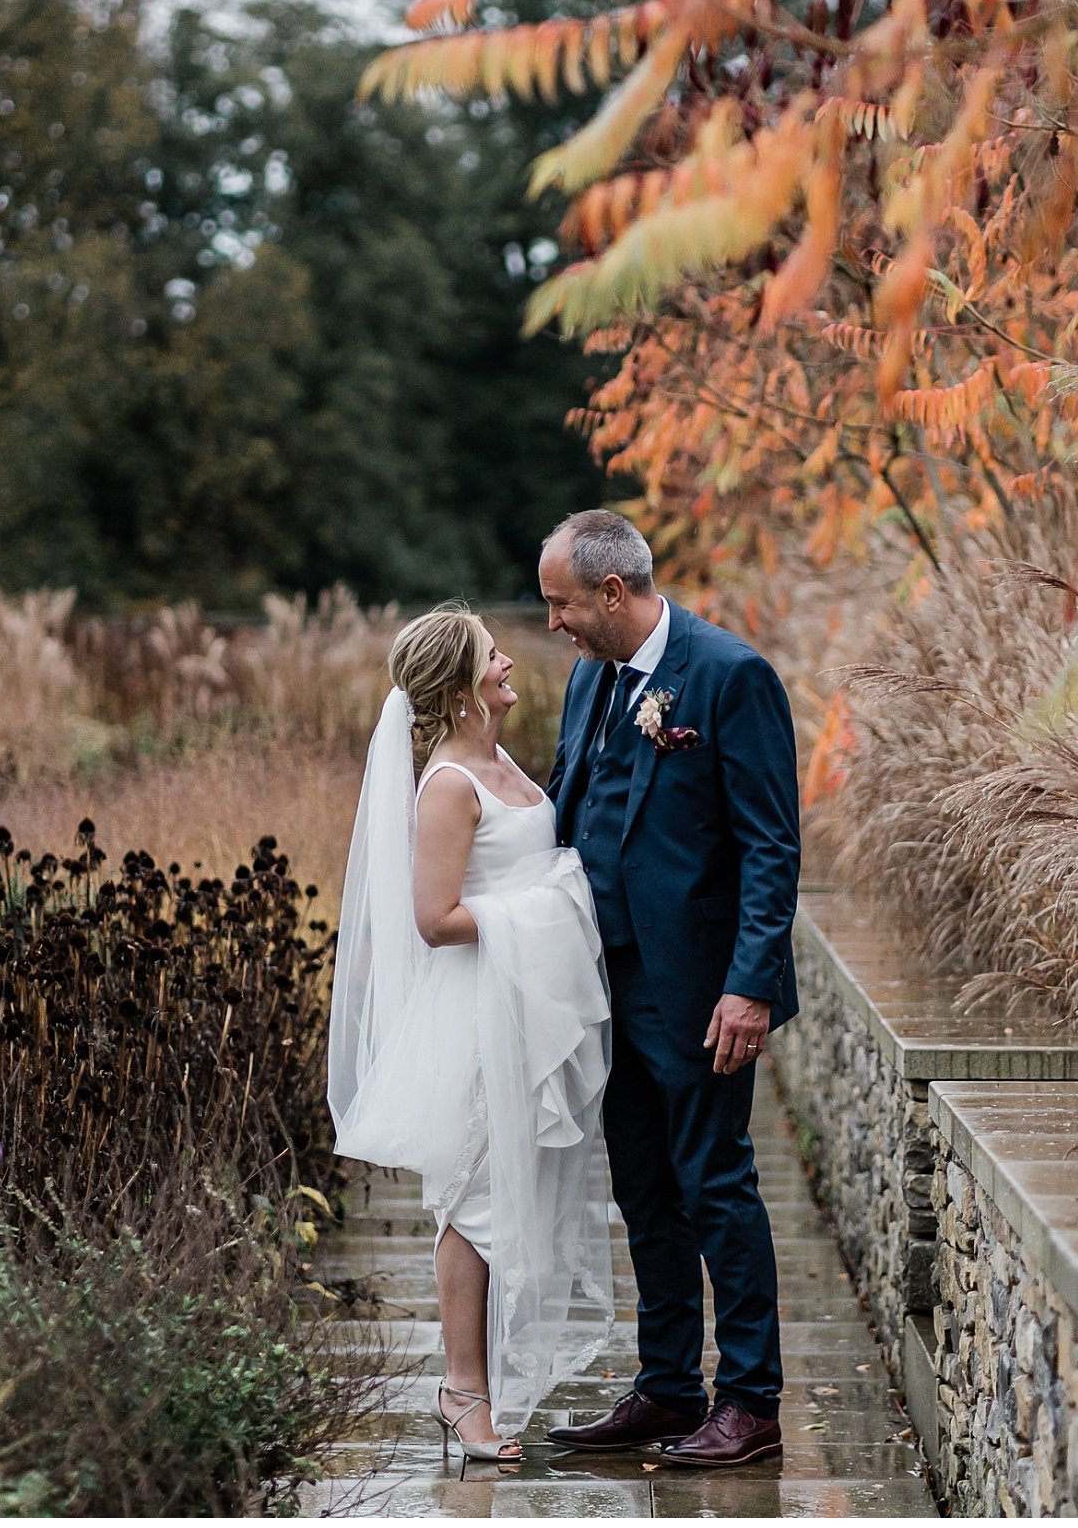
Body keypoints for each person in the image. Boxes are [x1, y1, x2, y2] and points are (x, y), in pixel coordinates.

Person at [536, 509, 800, 1469]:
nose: (554, 624)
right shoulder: (587, 680)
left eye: (562, 604)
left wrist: (750, 986)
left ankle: (752, 1401)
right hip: (603, 981)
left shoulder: (731, 676)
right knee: (644, 1188)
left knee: (715, 1185)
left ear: (613, 592)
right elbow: (571, 804)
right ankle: (665, 1386)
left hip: (697, 989)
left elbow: (772, 845)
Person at [325, 604, 616, 1469]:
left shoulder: (498, 758)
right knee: (475, 1199)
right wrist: (555, 904)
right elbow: (434, 918)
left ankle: (482, 1379)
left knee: (514, 1189)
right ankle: (462, 1388)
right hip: (479, 1014)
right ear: (459, 688)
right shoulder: (451, 782)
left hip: (526, 1005)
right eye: (494, 657)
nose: (510, 664)